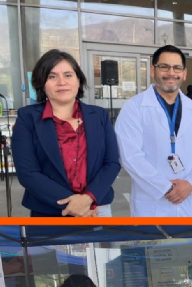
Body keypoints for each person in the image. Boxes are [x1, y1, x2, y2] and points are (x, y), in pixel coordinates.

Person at [12, 49, 121, 217]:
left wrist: (88, 198)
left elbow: (111, 163)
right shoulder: (27, 118)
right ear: (42, 83)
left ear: (79, 80)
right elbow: (28, 173)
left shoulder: (99, 115)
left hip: (96, 208)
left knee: (99, 244)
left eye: (68, 75)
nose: (62, 82)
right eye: (52, 76)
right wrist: (74, 205)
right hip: (49, 211)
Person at [115, 45, 192, 217]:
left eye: (177, 68)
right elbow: (130, 156)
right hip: (151, 204)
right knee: (154, 243)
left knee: (190, 243)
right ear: (153, 70)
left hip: (189, 201)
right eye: (164, 67)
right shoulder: (134, 108)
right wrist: (165, 187)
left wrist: (191, 184)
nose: (171, 73)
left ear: (184, 73)